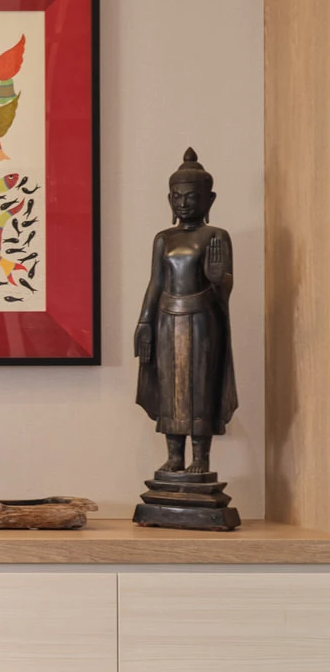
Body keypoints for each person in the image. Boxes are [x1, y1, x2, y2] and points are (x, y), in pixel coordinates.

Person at [134, 148, 236, 475]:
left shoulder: (216, 236)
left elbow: (225, 288)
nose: (184, 203)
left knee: (201, 385)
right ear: (169, 199)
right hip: (166, 319)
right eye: (177, 197)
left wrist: (222, 279)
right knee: (169, 386)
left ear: (210, 199)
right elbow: (155, 282)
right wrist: (145, 321)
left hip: (204, 321)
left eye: (191, 197)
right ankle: (175, 455)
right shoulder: (164, 238)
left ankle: (201, 458)